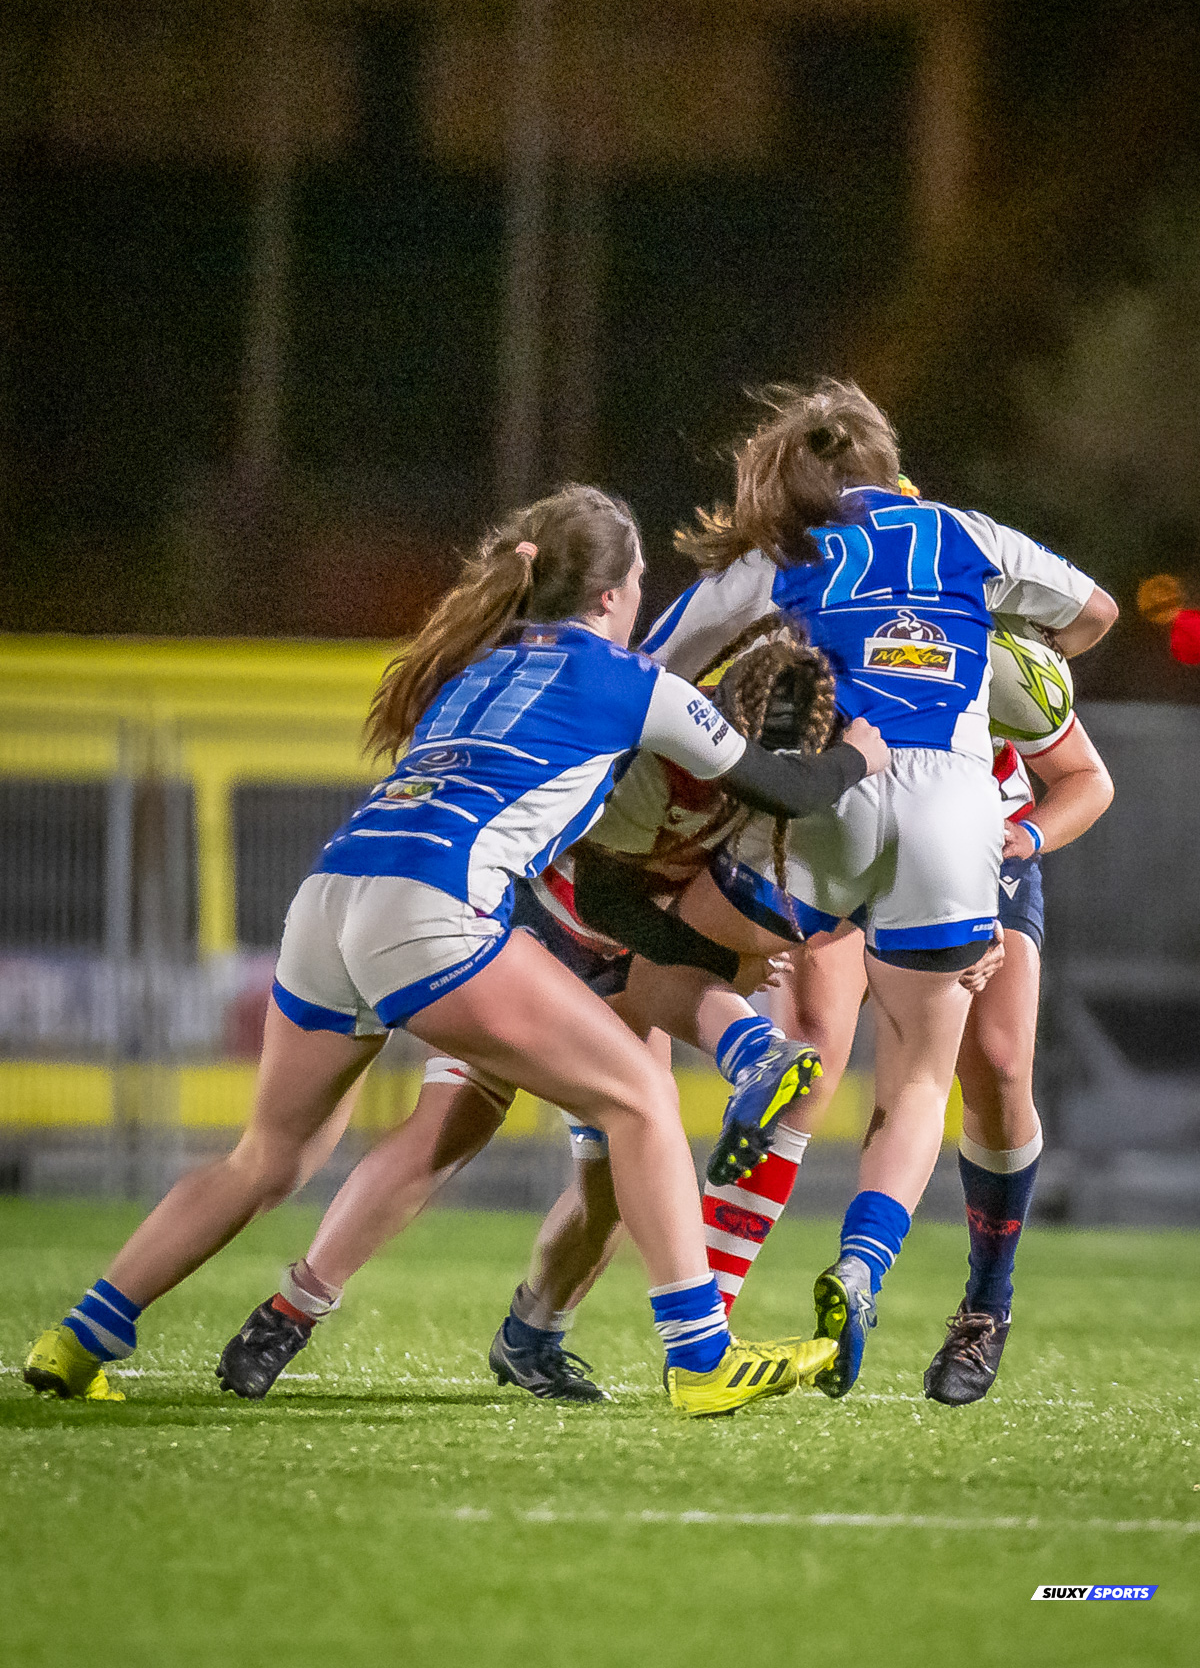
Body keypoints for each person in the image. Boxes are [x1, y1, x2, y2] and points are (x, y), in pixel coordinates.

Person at [23, 483, 882, 1417]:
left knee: (265, 1159)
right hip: (427, 906)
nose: (642, 598)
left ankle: (77, 1338)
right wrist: (861, 759)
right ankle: (701, 1357)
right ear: (608, 597)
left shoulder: (481, 666)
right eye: (637, 580)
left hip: (329, 898)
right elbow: (783, 789)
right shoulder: (636, 684)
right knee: (637, 1097)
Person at [214, 613, 883, 1403]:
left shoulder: (784, 780)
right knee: (453, 1123)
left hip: (619, 960)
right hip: (535, 936)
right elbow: (605, 894)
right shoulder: (665, 760)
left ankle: (533, 1332)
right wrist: (711, 953)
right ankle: (290, 1312)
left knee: (617, 1182)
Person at [632, 379, 1116, 1396]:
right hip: (956, 832)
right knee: (919, 1079)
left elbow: (649, 666)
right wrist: (1015, 642)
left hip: (869, 802)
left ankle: (746, 1056)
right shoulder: (968, 546)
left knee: (663, 948)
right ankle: (856, 1265)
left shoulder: (791, 559)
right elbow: (1099, 614)